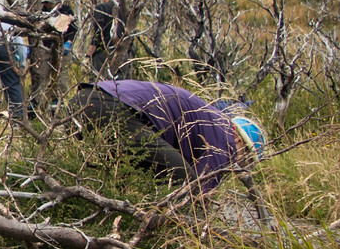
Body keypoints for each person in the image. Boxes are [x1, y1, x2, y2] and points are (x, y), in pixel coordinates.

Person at [72, 79, 262, 193]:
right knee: (186, 184)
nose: (238, 164)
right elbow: (199, 191)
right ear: (239, 139)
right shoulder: (226, 137)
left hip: (83, 99)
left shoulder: (210, 118)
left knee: (110, 177)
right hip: (113, 108)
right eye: (246, 157)